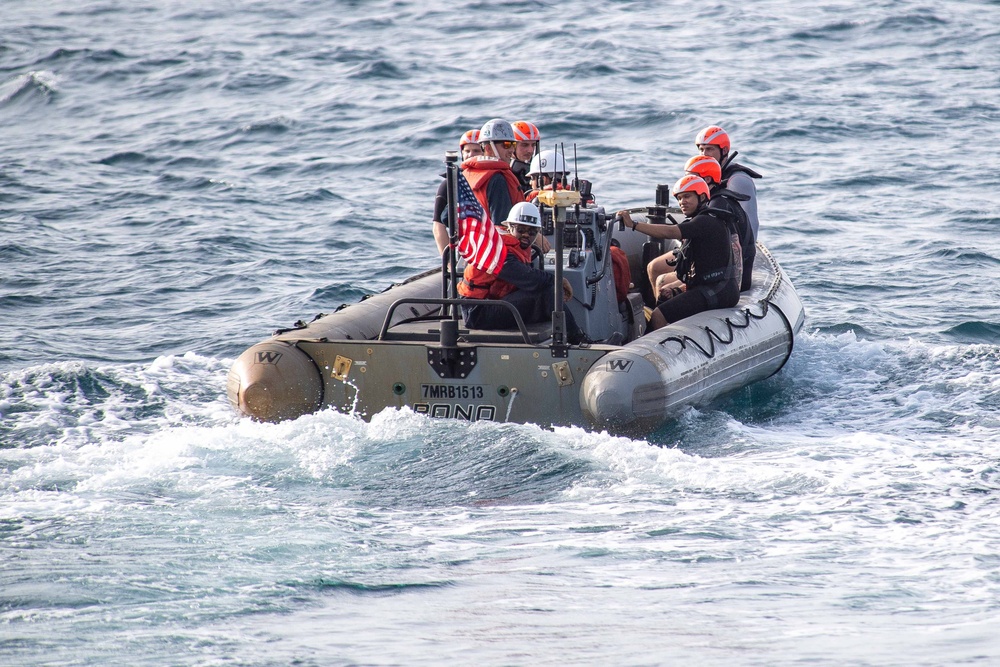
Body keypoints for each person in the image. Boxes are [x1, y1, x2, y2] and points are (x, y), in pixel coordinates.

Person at [618, 175, 740, 331]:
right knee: (664, 296)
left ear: (702, 196)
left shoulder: (706, 221)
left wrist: (634, 225)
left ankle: (657, 350)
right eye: (680, 198)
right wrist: (677, 289)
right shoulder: (703, 219)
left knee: (658, 315)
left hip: (718, 290)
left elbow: (670, 231)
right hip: (714, 286)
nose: (683, 202)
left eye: (687, 196)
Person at [458, 202, 586, 344]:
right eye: (520, 230)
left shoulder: (511, 244)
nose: (526, 235)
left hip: (490, 304)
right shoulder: (499, 252)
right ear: (509, 227)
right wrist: (558, 280)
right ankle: (577, 340)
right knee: (548, 292)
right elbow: (526, 277)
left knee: (546, 293)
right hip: (477, 313)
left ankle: (567, 338)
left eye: (532, 232)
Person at [647, 155, 755, 293]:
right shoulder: (718, 199)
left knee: (661, 280)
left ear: (707, 179)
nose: (687, 181)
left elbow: (733, 247)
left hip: (728, 277)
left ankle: (657, 310)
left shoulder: (718, 207)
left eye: (692, 178)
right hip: (722, 271)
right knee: (654, 266)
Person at [695, 125, 762, 240]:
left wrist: (743, 255)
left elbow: (751, 223)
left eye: (710, 149)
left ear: (724, 150)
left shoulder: (738, 180)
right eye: (701, 149)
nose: (704, 154)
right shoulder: (705, 176)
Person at [462, 118, 525, 227]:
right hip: (494, 242)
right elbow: (502, 225)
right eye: (506, 145)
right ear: (488, 148)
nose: (511, 150)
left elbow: (447, 217)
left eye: (513, 145)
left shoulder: (465, 176)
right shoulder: (497, 180)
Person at [433, 129, 483, 254]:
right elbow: (438, 226)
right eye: (467, 151)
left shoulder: (494, 178)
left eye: (476, 150)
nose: (471, 154)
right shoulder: (449, 183)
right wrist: (449, 264)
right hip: (465, 249)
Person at [510, 120, 541, 193]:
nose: (530, 150)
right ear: (512, 146)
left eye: (533, 145)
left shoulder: (541, 173)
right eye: (524, 145)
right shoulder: (504, 174)